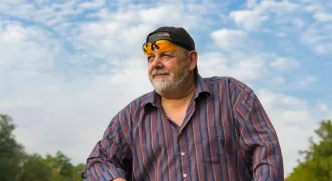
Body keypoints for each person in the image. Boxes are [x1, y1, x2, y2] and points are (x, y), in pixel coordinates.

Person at [84, 26, 284, 181]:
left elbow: (265, 155)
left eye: (166, 55)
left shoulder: (233, 95)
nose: (156, 64)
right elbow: (99, 160)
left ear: (191, 60)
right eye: (150, 58)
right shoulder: (130, 116)